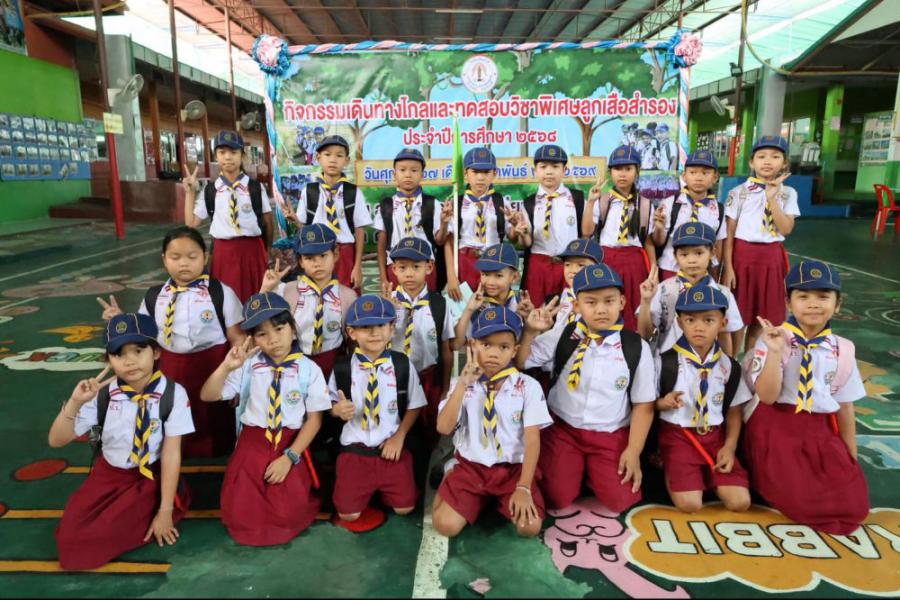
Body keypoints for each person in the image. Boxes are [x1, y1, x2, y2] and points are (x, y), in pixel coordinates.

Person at [51, 314, 193, 570]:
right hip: (109, 475)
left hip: (150, 477)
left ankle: (166, 501)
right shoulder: (101, 395)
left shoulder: (173, 394)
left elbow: (172, 454)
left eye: (138, 350)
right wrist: (75, 402)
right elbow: (56, 441)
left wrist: (165, 511)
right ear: (108, 360)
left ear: (156, 352)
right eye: (118, 354)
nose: (129, 361)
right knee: (69, 537)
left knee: (102, 534)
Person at [743, 261, 869, 535]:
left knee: (854, 506)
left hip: (819, 428)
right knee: (801, 500)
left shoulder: (843, 349)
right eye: (803, 296)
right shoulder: (772, 338)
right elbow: (767, 397)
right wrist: (775, 351)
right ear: (788, 303)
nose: (813, 304)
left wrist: (851, 457)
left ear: (837, 304)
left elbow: (845, 406)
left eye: (823, 296)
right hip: (775, 426)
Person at [518, 264, 655, 512]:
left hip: (609, 433)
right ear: (577, 306)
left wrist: (633, 451)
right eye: (591, 302)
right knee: (556, 497)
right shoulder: (564, 336)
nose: (601, 309)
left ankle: (592, 473)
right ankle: (575, 470)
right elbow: (521, 362)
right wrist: (529, 333)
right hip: (563, 430)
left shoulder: (635, 347)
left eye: (609, 301)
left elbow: (643, 405)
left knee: (621, 501)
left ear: (622, 302)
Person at [97, 226, 245, 457]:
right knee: (171, 412)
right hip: (169, 368)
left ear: (205, 257)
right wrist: (120, 319)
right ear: (164, 260)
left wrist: (236, 381)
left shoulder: (220, 293)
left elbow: (238, 340)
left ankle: (215, 449)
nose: (183, 263)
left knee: (212, 418)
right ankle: (173, 451)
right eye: (175, 257)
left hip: (211, 367)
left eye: (192, 256)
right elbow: (143, 335)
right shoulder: (154, 296)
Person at [201, 292, 329, 546]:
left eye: (279, 329)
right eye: (262, 334)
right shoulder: (247, 366)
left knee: (287, 512)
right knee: (242, 511)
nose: (273, 339)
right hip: (253, 442)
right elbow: (208, 395)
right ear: (253, 339)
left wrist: (289, 458)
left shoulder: (309, 370)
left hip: (289, 443)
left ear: (293, 329)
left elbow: (314, 421)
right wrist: (226, 367)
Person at [432, 307, 551, 538]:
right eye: (486, 344)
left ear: (515, 350)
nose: (494, 353)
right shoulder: (461, 383)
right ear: (473, 345)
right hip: (471, 468)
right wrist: (463, 385)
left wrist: (524, 487)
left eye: (503, 347)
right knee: (445, 526)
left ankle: (490, 499)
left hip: (511, 471)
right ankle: (451, 473)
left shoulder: (528, 386)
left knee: (529, 527)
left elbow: (532, 441)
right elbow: (443, 428)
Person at [328, 295, 426, 525]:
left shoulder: (401, 364)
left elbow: (415, 404)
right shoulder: (342, 368)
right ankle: (362, 490)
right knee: (348, 515)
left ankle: (381, 489)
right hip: (355, 451)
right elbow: (330, 405)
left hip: (390, 448)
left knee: (405, 508)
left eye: (381, 325)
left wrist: (399, 437)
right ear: (352, 333)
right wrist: (336, 410)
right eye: (365, 327)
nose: (374, 333)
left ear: (392, 329)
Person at [655, 285, 751, 514]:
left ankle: (704, 476)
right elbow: (646, 404)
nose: (699, 327)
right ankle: (674, 467)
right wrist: (663, 403)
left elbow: (734, 411)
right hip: (679, 437)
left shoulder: (729, 366)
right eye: (690, 320)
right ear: (680, 323)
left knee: (740, 503)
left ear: (723, 323)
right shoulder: (664, 362)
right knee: (690, 505)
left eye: (709, 320)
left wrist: (729, 447)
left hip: (715, 438)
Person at [722, 135, 799, 353]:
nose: (767, 161)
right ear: (751, 162)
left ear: (784, 163)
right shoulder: (738, 193)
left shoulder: (788, 194)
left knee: (762, 317)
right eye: (761, 156)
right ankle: (732, 363)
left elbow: (786, 229)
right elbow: (729, 233)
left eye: (775, 156)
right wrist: (728, 268)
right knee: (738, 316)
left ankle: (750, 362)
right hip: (742, 258)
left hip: (772, 259)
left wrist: (772, 198)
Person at [183, 130, 274, 303]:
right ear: (216, 156)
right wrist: (190, 193)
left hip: (252, 251)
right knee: (226, 301)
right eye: (222, 152)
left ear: (242, 156)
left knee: (256, 300)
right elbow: (191, 223)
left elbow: (268, 222)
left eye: (233, 152)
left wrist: (267, 250)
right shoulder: (211, 190)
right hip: (223, 253)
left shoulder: (255, 187)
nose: (227, 157)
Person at [259, 223, 357, 380]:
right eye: (309, 258)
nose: (317, 263)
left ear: (335, 254)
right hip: (295, 363)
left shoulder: (348, 296)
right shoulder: (287, 291)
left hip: (333, 365)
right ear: (300, 261)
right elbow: (260, 321)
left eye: (323, 255)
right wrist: (266, 289)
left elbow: (353, 340)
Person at [637, 223, 743, 356]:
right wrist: (646, 301)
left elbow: (725, 335)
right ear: (675, 256)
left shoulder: (724, 294)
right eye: (684, 254)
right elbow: (645, 335)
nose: (692, 260)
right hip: (669, 364)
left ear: (712, 253)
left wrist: (728, 365)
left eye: (699, 253)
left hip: (709, 365)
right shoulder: (664, 289)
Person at [283, 135, 373, 291]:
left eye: (339, 155)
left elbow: (359, 231)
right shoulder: (309, 191)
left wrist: (357, 266)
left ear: (347, 160)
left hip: (344, 253)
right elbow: (305, 230)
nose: (333, 160)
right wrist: (295, 220)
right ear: (318, 158)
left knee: (346, 296)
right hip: (316, 253)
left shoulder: (353, 192)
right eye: (327, 154)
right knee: (317, 295)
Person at [387, 237, 454, 441]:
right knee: (396, 428)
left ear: (429, 267)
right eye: (402, 267)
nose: (409, 273)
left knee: (428, 431)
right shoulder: (387, 303)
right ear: (394, 269)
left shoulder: (439, 304)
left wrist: (445, 388)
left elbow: (446, 349)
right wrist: (387, 315)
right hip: (395, 379)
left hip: (428, 379)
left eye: (416, 266)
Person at [582, 145, 655, 331]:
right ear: (610, 172)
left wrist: (653, 271)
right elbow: (587, 231)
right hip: (607, 260)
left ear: (637, 171)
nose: (622, 174)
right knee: (607, 303)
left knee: (633, 306)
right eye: (617, 169)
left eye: (628, 168)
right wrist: (590, 202)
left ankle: (633, 343)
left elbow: (648, 241)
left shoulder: (645, 204)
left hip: (635, 263)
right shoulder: (602, 200)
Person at [445, 147, 530, 298]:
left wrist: (515, 228)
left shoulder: (501, 201)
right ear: (466, 173)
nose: (480, 177)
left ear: (494, 174)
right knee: (467, 304)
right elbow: (449, 241)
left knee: (492, 303)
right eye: (475, 172)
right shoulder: (457, 203)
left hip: (494, 261)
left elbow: (512, 238)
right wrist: (451, 276)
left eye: (486, 172)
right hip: (465, 262)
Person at [374, 148, 450, 293]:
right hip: (396, 267)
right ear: (394, 174)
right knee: (398, 305)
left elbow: (440, 241)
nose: (408, 175)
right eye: (402, 170)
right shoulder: (386, 206)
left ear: (422, 174)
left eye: (414, 170)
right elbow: (381, 246)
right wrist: (383, 277)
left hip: (424, 267)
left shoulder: (432, 203)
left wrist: (444, 223)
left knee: (426, 304)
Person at [520, 145, 584, 305]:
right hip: (538, 266)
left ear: (564, 170)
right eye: (543, 167)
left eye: (555, 166)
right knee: (536, 310)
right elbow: (526, 243)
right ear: (535, 170)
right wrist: (521, 232)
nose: (549, 172)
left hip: (568, 265)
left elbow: (585, 233)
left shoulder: (576, 198)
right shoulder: (528, 203)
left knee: (569, 310)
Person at [651, 150, 725, 281]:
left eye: (705, 173)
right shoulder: (670, 203)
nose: (699, 177)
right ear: (684, 176)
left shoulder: (719, 209)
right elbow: (658, 242)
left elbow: (718, 244)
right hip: (670, 269)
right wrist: (659, 228)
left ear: (715, 177)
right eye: (693, 172)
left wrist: (714, 274)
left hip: (702, 273)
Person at [451, 242, 532, 351]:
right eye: (485, 274)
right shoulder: (473, 303)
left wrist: (528, 321)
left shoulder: (520, 305)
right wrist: (469, 310)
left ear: (515, 277)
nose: (490, 282)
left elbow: (527, 347)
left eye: (498, 275)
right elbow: (456, 345)